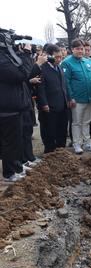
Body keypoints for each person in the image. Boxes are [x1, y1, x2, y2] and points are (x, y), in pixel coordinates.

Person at [0, 37, 33, 183]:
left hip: (14, 106)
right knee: (10, 142)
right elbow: (21, 75)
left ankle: (16, 168)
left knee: (16, 141)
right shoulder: (1, 60)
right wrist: (25, 55)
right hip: (8, 108)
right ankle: (9, 174)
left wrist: (20, 55)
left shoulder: (5, 57)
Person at [62, 38, 91, 154]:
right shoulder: (67, 62)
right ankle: (77, 144)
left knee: (87, 121)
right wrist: (71, 97)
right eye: (77, 49)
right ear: (72, 49)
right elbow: (66, 82)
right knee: (76, 122)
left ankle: (87, 142)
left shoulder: (87, 62)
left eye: (82, 49)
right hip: (76, 99)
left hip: (89, 98)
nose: (80, 51)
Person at [36, 44, 71, 154]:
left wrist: (68, 98)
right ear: (48, 55)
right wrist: (44, 103)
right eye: (56, 57)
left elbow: (64, 84)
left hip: (62, 104)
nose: (59, 59)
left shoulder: (59, 67)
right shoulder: (42, 68)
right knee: (50, 131)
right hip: (50, 106)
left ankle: (61, 150)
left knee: (62, 129)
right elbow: (40, 89)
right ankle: (50, 151)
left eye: (60, 56)